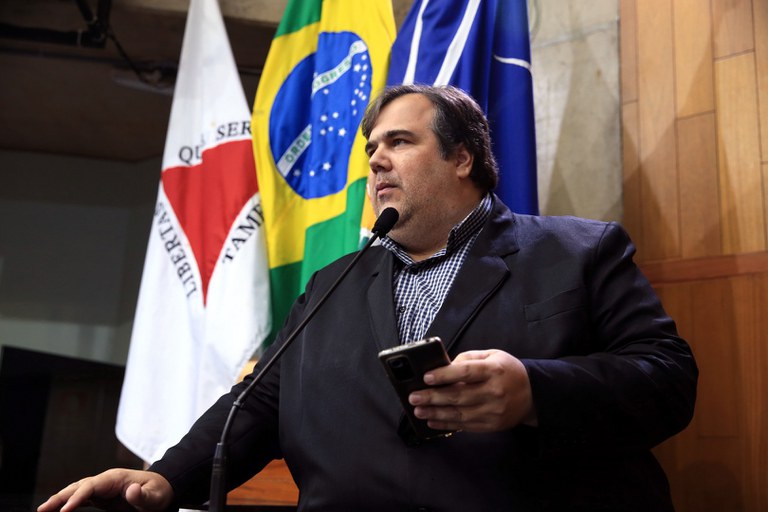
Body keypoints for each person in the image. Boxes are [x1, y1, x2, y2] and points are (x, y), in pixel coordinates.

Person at [39, 84, 697, 512]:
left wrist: (535, 392)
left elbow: (669, 379)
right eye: (371, 147)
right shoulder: (332, 284)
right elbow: (261, 400)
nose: (376, 160)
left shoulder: (578, 252)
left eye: (400, 142)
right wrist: (164, 478)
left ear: (462, 158)